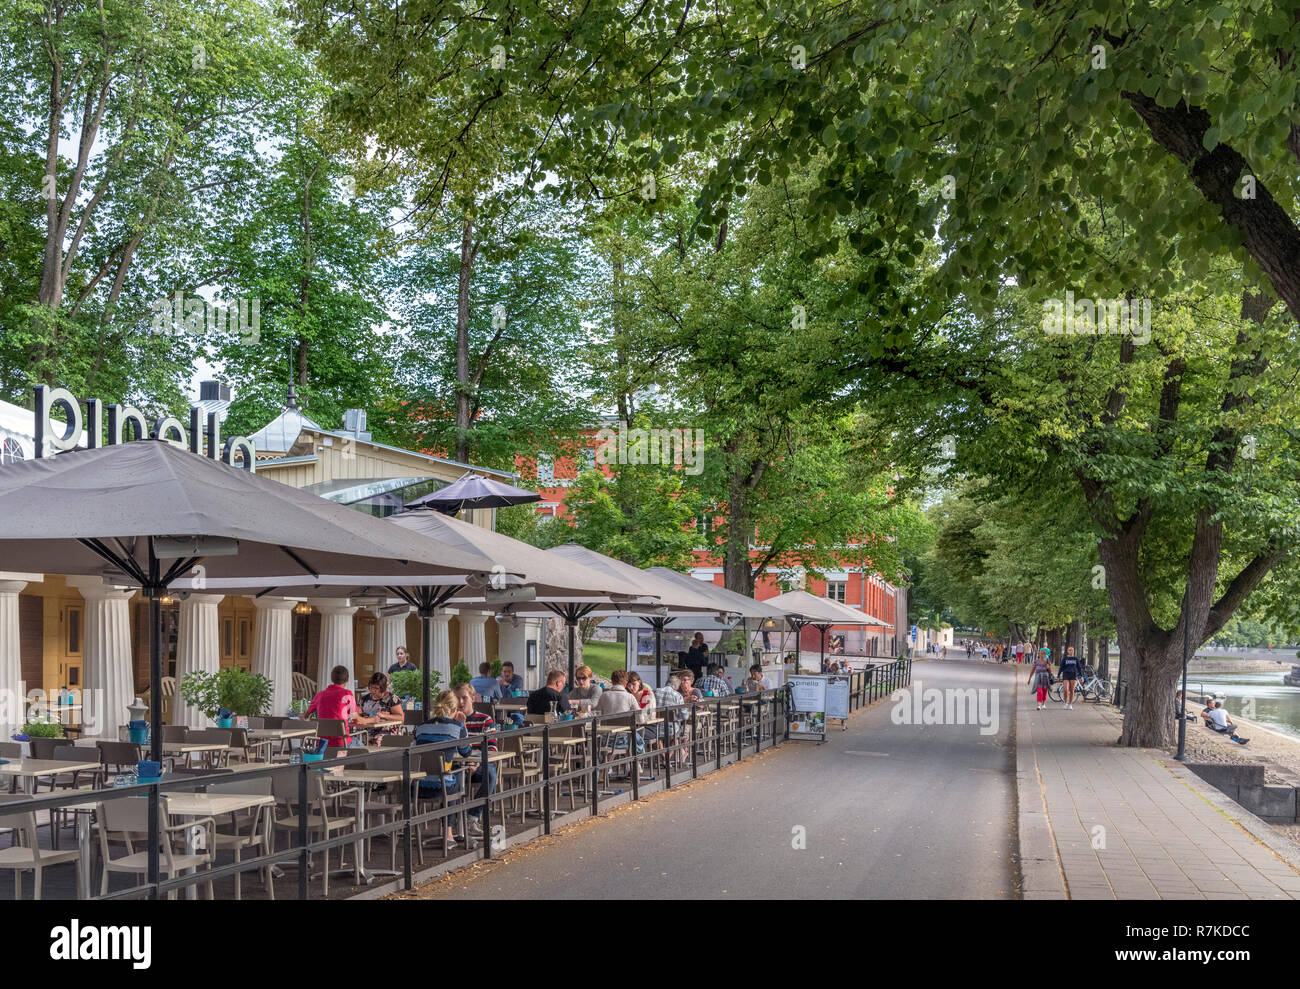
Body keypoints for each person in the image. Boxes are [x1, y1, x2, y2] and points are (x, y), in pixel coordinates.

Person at [414, 691, 474, 843]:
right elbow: (466, 752)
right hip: (443, 787)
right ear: (454, 710)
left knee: (446, 775)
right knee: (452, 778)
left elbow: (414, 752)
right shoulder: (457, 727)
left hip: (417, 786)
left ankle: (414, 833)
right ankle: (449, 834)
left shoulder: (421, 727)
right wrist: (463, 725)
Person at [452, 683, 497, 829]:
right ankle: (453, 822)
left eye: (464, 698)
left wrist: (475, 763)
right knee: (450, 778)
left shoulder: (485, 719)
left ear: (472, 699)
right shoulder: (451, 721)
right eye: (457, 698)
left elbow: (492, 747)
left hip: (479, 764)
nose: (460, 702)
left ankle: (472, 817)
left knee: (490, 775)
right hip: (457, 765)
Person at [306, 665, 358, 747]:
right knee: (363, 744)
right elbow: (356, 720)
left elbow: (307, 715)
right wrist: (372, 719)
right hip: (342, 743)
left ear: (332, 679)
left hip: (322, 744)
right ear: (347, 680)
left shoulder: (319, 695)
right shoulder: (347, 694)